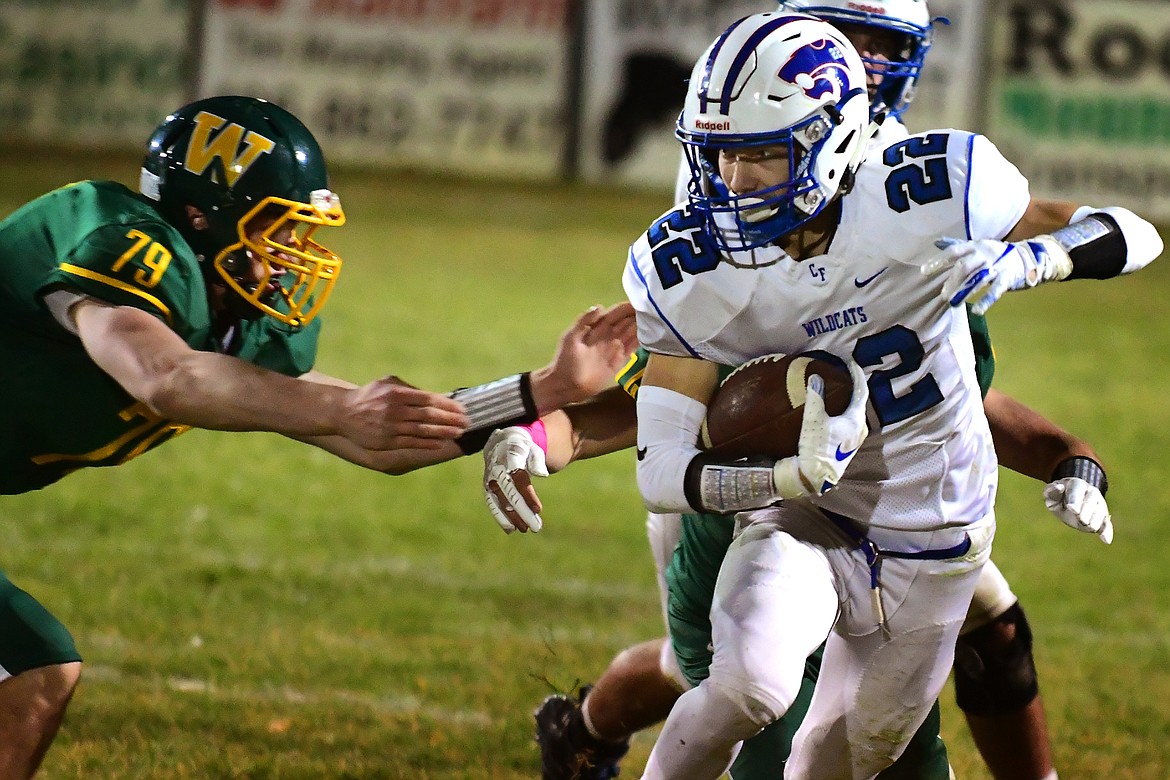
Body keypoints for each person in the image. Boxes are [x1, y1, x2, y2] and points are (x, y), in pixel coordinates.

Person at [491, 11, 1160, 779]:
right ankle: (587, 727)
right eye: (722, 163)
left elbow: (954, 389)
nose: (735, 188)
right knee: (735, 695)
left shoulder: (926, 198)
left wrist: (1067, 448)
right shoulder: (717, 219)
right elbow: (664, 410)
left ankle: (588, 725)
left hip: (907, 499)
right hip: (747, 495)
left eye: (887, 46)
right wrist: (539, 439)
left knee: (967, 658)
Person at [0, 94, 637, 780]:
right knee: (34, 672)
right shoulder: (119, 238)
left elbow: (381, 438)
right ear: (197, 216)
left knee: (34, 673)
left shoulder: (236, 319)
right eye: (274, 229)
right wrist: (340, 412)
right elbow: (164, 375)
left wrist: (544, 390)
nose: (289, 255)